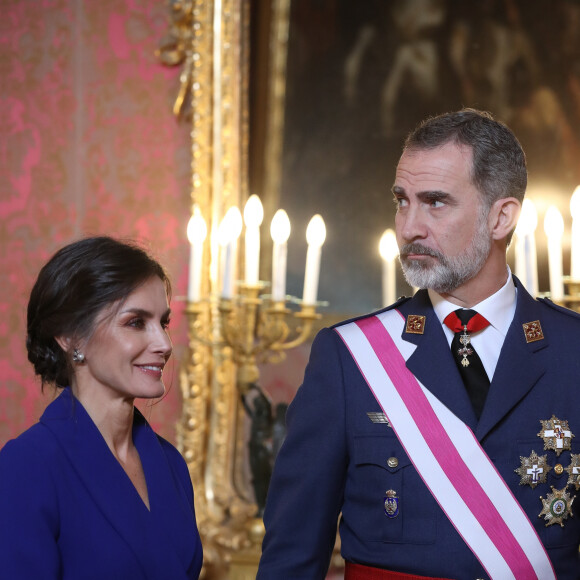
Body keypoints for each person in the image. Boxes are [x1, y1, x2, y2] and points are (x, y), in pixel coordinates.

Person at [257, 109, 580, 579]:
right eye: (401, 201)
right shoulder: (351, 358)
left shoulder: (572, 351)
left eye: (435, 203)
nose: (409, 227)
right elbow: (292, 556)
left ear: (502, 217)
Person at [0, 236, 203, 579]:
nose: (164, 344)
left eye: (163, 322)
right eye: (136, 322)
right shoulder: (28, 465)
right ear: (71, 336)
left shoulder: (170, 463)